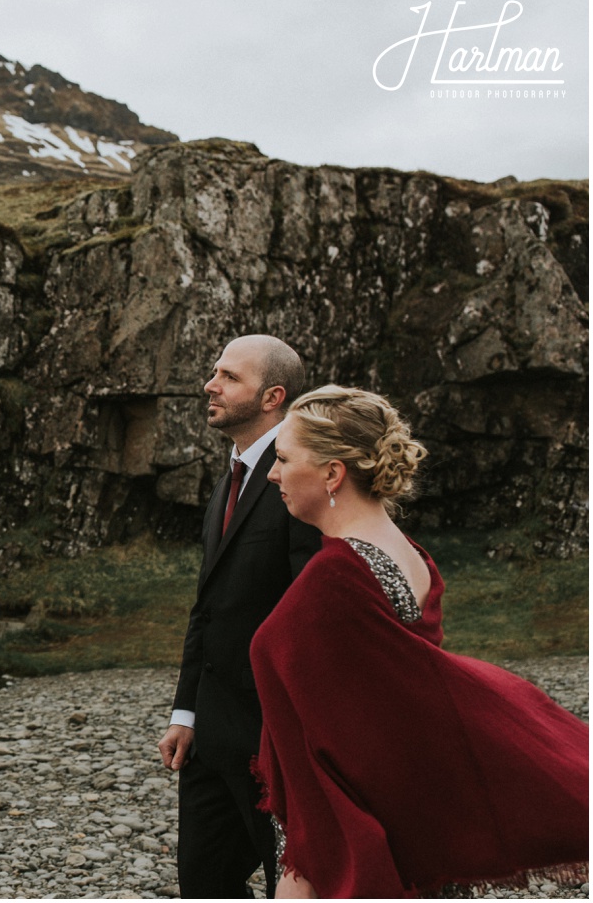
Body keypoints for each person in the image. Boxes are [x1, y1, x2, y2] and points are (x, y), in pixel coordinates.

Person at [252, 385, 589, 898]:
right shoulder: (409, 552)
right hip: (419, 813)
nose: (273, 473)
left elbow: (349, 732)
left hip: (367, 830)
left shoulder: (338, 576)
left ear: (332, 473)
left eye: (282, 458)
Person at [157, 334, 322, 898]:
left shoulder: (302, 475)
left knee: (293, 883)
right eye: (214, 372)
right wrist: (186, 710)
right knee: (204, 886)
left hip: (274, 736)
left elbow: (312, 607)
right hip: (210, 731)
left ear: (273, 395)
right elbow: (209, 605)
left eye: (228, 376)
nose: (210, 384)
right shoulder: (230, 475)